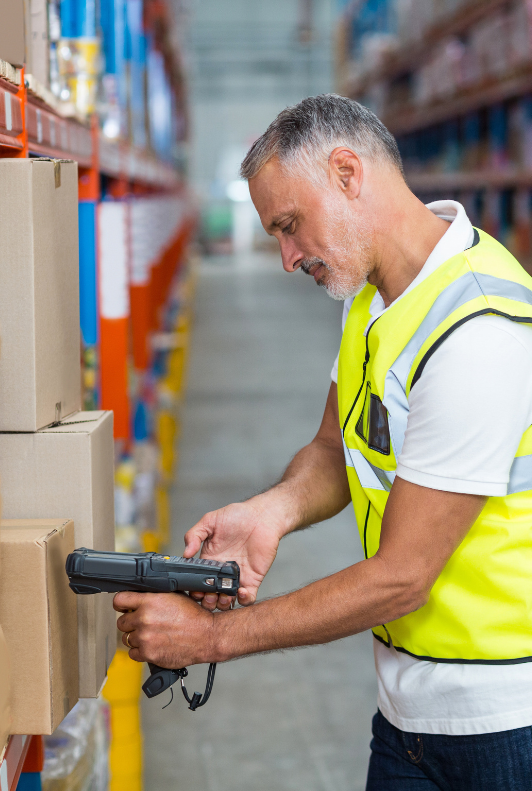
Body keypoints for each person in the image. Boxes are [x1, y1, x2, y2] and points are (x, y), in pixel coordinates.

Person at [114, 95, 532, 790]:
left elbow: (403, 575)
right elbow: (337, 449)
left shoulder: (479, 330)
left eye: (289, 225)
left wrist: (213, 638)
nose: (285, 257)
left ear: (347, 173)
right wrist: (271, 510)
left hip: (501, 730)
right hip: (404, 715)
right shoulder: (373, 298)